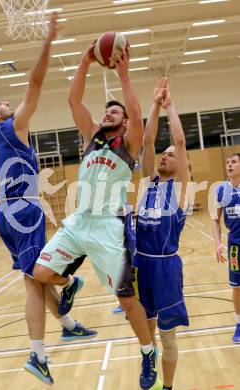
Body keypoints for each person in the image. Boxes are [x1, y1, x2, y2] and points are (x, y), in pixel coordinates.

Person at [0, 14, 96, 386]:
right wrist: (48, 42)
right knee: (36, 281)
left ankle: (69, 325)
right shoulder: (11, 129)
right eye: (2, 102)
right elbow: (35, 82)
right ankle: (38, 353)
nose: (10, 102)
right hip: (23, 210)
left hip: (6, 213)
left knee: (34, 280)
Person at [33, 44, 162, 389]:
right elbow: (74, 102)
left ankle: (148, 352)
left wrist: (123, 76)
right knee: (40, 273)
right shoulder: (92, 138)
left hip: (110, 226)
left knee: (126, 298)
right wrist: (85, 60)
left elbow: (136, 115)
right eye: (106, 111)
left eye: (114, 112)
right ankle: (72, 281)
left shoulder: (129, 145)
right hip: (80, 221)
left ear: (123, 123)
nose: (108, 114)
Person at [134, 78, 190, 390]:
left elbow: (179, 143)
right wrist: (153, 104)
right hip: (143, 264)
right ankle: (150, 374)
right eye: (164, 155)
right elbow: (147, 141)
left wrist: (170, 106)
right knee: (146, 335)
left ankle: (167, 388)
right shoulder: (148, 183)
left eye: (170, 155)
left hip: (166, 267)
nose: (165, 157)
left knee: (167, 336)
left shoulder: (181, 189)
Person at [213, 152, 240, 344]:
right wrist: (218, 242)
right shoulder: (221, 190)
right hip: (235, 247)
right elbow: (215, 218)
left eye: (234, 162)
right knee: (237, 287)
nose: (229, 165)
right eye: (228, 162)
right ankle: (239, 324)